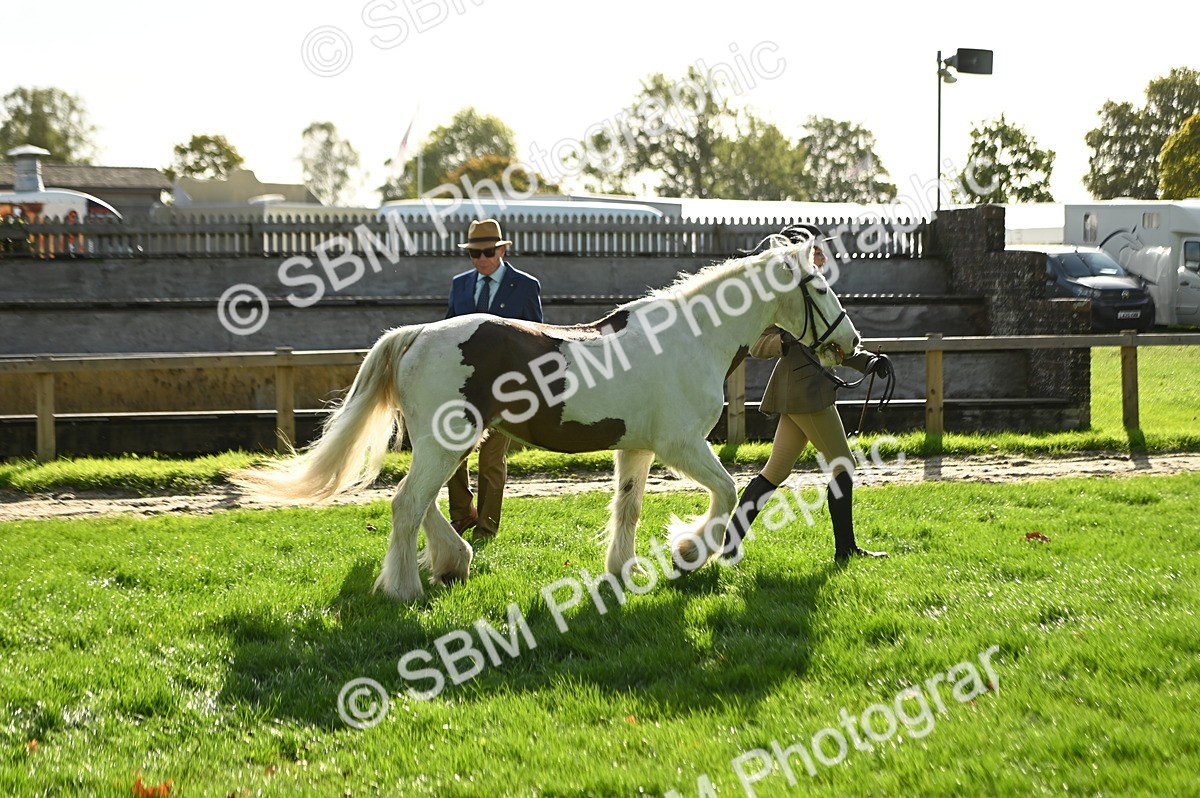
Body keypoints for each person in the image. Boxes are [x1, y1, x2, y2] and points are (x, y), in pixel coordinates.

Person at [723, 223, 892, 563]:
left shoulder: (812, 289)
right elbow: (756, 345)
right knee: (843, 465)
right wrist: (785, 339)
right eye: (814, 249)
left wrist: (868, 362)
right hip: (807, 394)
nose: (820, 254)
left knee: (775, 472)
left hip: (803, 392)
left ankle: (729, 546)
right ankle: (845, 550)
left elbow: (831, 347)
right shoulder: (781, 296)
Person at [444, 218, 543, 538]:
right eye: (474, 254)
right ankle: (461, 514)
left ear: (501, 250)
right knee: (451, 453)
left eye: (488, 252)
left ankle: (486, 527)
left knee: (490, 461)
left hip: (507, 388)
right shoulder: (460, 284)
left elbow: (536, 337)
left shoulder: (527, 286)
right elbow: (447, 332)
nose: (482, 259)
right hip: (464, 387)